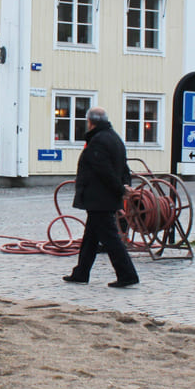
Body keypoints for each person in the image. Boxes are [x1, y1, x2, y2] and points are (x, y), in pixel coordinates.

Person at [63, 106, 139, 288]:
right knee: (90, 237)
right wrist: (124, 186)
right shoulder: (115, 138)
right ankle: (81, 272)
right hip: (104, 198)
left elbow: (104, 171)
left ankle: (127, 274)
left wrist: (120, 188)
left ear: (90, 122)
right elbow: (123, 168)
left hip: (99, 198)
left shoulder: (98, 141)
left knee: (111, 238)